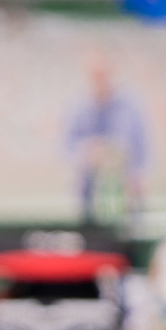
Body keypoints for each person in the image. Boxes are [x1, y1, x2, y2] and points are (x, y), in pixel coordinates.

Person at [65, 54, 151, 227]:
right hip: (91, 195)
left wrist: (140, 175)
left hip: (128, 194)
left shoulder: (130, 106)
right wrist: (87, 152)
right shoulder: (79, 107)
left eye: (103, 75)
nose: (100, 80)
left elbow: (144, 145)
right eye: (96, 75)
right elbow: (66, 146)